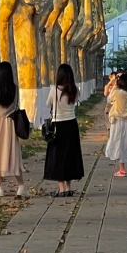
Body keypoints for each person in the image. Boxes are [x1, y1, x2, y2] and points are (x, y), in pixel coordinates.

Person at [0, 61, 27, 199]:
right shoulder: (14, 88)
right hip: (10, 123)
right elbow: (16, 105)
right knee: (13, 154)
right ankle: (21, 187)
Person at [44, 62, 85, 196]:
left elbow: (47, 104)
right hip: (71, 125)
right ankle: (68, 187)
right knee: (70, 156)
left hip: (58, 126)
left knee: (58, 157)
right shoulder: (75, 90)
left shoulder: (54, 90)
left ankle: (61, 188)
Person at [105, 71, 127, 177]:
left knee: (119, 144)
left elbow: (109, 99)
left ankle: (122, 169)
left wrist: (115, 82)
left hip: (117, 122)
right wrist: (126, 78)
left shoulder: (117, 93)